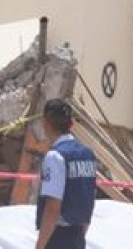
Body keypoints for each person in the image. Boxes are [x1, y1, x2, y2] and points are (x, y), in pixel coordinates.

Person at [35, 99, 97, 249]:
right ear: (71, 124)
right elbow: (89, 199)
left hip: (57, 237)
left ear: (46, 123)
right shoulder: (88, 154)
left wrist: (40, 246)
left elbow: (52, 208)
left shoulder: (55, 156)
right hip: (77, 237)